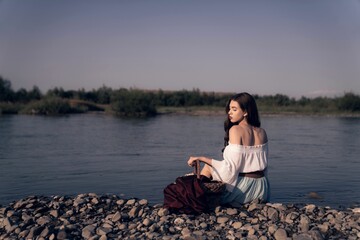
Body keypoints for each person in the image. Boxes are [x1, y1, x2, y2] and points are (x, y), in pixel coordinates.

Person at [187, 92, 270, 207]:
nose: (229, 113)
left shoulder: (235, 130)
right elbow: (264, 167)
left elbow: (230, 168)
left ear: (245, 112)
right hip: (262, 189)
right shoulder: (262, 132)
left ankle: (196, 195)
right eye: (229, 109)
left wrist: (201, 158)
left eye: (234, 109)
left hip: (244, 191)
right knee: (212, 167)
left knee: (208, 166)